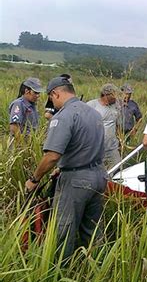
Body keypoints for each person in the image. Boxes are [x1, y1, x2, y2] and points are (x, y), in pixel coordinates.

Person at [25, 77, 106, 260]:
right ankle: (96, 270)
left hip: (76, 181)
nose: (52, 102)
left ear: (56, 93)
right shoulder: (94, 113)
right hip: (99, 176)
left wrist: (34, 179)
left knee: (63, 231)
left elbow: (52, 156)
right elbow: (85, 146)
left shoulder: (64, 116)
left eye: (51, 98)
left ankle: (58, 276)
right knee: (92, 230)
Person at [87, 84, 122, 169]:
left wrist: (120, 141)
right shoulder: (91, 105)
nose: (115, 98)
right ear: (106, 95)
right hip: (96, 148)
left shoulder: (116, 106)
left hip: (112, 147)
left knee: (117, 168)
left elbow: (118, 125)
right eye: (112, 96)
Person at [8, 77, 44, 143]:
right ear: (27, 91)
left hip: (30, 143)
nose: (38, 95)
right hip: (19, 145)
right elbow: (14, 127)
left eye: (39, 93)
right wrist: (22, 145)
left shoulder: (33, 105)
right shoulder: (18, 104)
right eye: (35, 93)